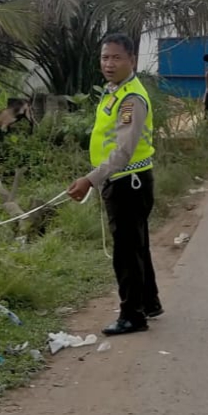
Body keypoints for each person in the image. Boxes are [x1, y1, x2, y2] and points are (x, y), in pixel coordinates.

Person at [67, 33, 161, 336]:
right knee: (137, 247)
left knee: (126, 252)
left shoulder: (131, 99)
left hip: (128, 183)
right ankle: (148, 302)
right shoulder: (114, 92)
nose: (109, 63)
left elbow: (122, 151)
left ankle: (132, 316)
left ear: (132, 60)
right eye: (105, 57)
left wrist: (90, 180)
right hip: (124, 181)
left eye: (116, 57)